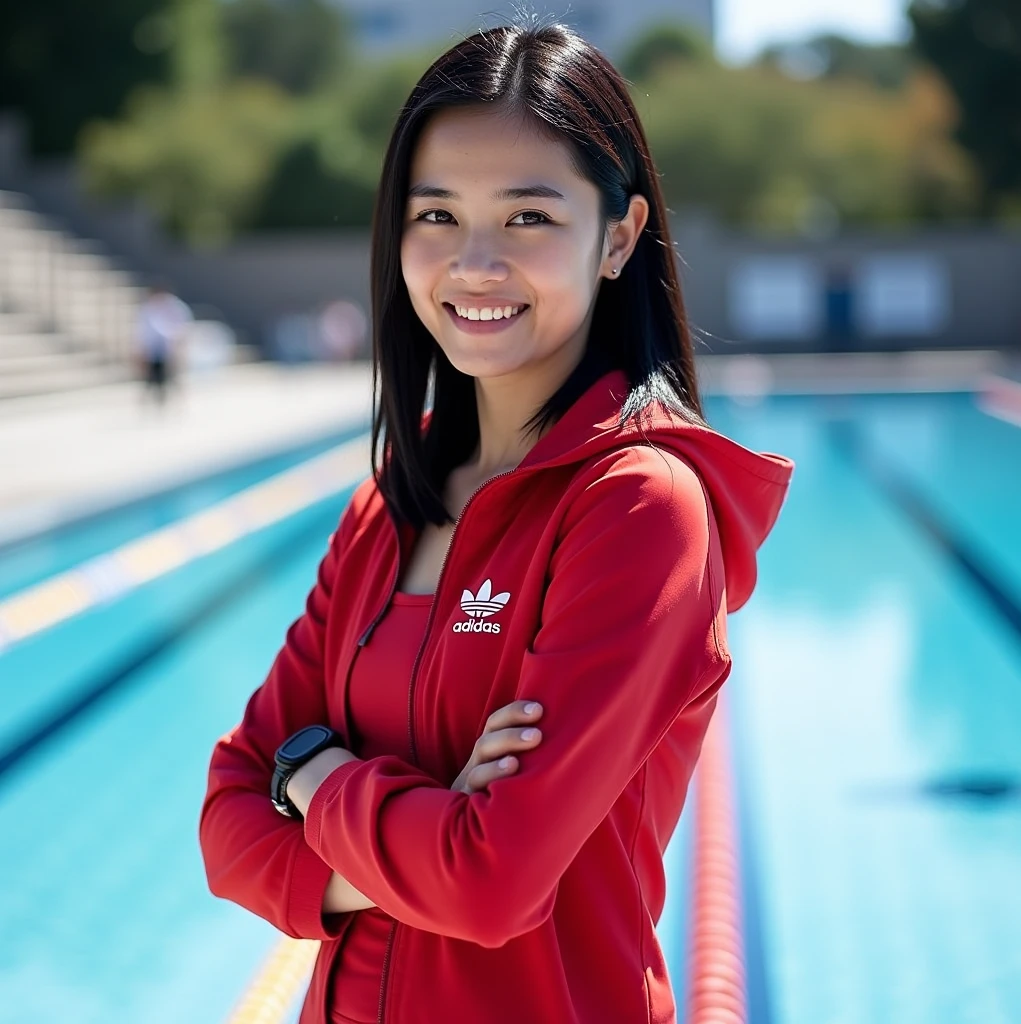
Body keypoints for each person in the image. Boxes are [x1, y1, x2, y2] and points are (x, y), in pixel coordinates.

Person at [199, 21, 794, 1024]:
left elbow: (489, 885)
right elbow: (227, 818)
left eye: (527, 218)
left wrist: (316, 775)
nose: (472, 264)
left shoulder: (638, 507)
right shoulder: (387, 505)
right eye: (436, 214)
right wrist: (415, 822)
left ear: (616, 235)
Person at [136, 281, 192, 404]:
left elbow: (182, 328)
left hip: (170, 349)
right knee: (151, 379)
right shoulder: (148, 308)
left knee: (172, 378)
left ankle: (179, 402)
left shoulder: (175, 307)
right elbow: (143, 332)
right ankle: (149, 402)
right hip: (154, 351)